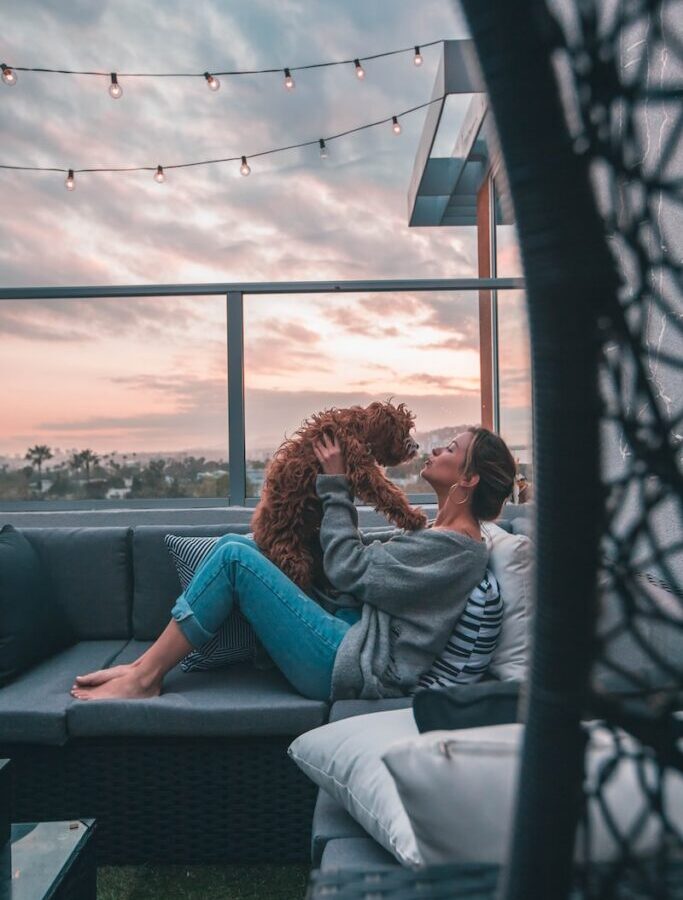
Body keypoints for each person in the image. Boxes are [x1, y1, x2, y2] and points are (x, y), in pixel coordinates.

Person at [70, 426, 517, 703]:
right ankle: (139, 667)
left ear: (468, 478)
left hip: (344, 662)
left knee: (232, 558)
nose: (437, 449)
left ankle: (145, 677)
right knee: (234, 541)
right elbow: (369, 567)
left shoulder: (458, 550)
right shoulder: (443, 536)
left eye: (452, 449)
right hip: (347, 629)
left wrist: (335, 484)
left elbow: (350, 569)